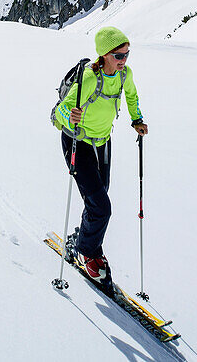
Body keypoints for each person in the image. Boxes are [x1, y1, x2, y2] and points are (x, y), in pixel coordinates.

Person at [54, 26, 148, 284]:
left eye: (127, 55)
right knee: (101, 206)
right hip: (78, 143)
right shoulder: (88, 79)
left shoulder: (124, 75)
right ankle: (88, 252)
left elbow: (131, 95)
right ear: (105, 55)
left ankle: (81, 240)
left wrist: (137, 119)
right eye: (119, 56)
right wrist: (69, 117)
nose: (124, 61)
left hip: (102, 143)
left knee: (98, 199)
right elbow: (57, 113)